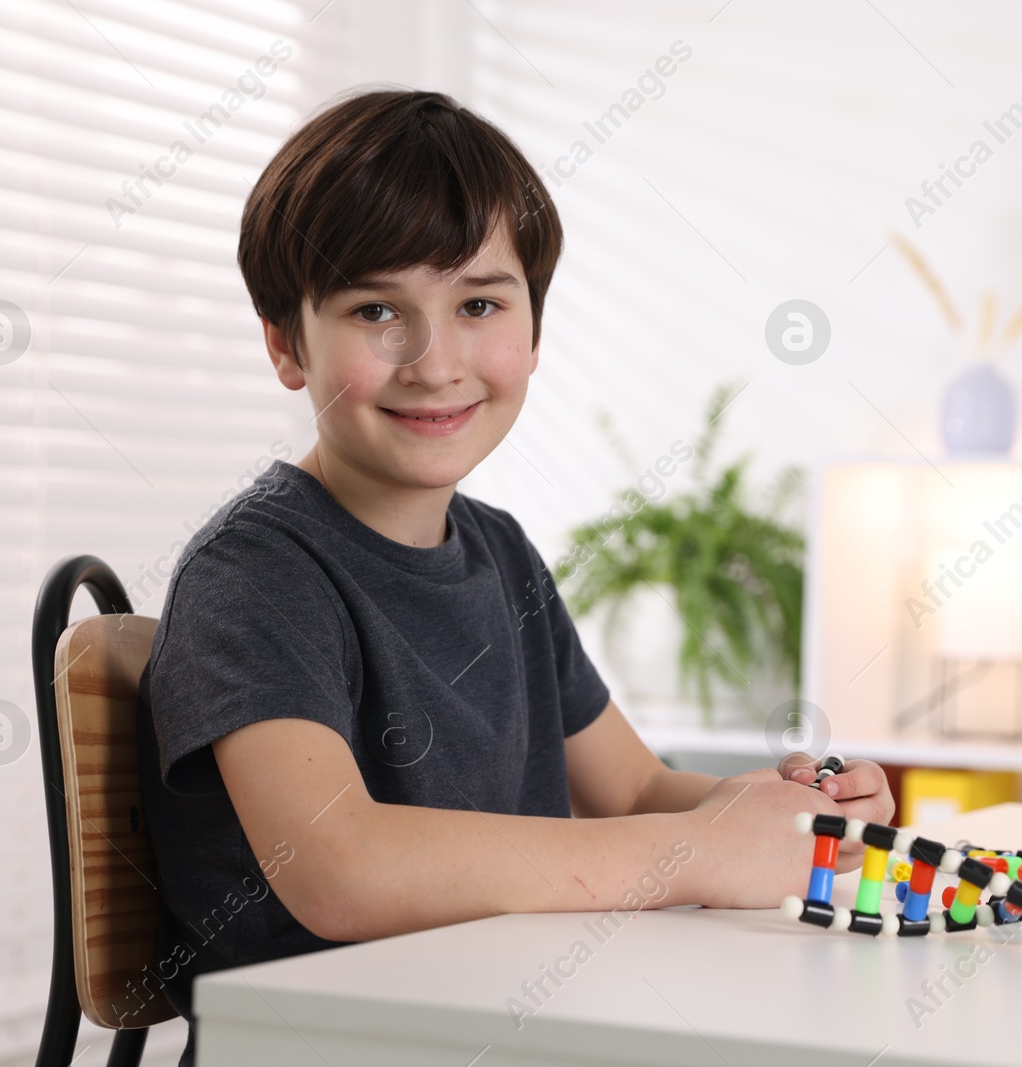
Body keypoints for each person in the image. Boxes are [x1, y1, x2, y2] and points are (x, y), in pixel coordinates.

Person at [135, 87, 893, 1064]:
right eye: (376, 310)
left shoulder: (500, 553)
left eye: (480, 303)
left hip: (499, 1028)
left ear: (533, 331)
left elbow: (629, 791)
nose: (434, 359)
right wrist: (701, 851)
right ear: (286, 342)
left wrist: (777, 815)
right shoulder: (256, 573)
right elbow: (338, 867)